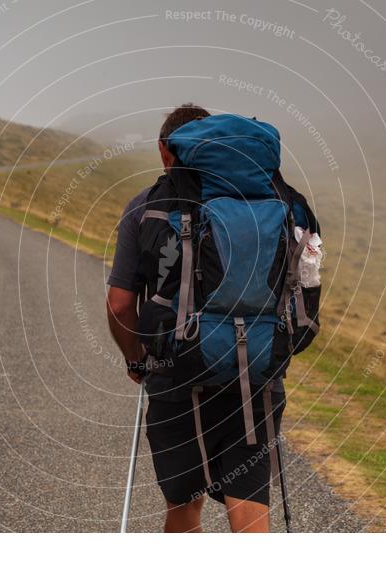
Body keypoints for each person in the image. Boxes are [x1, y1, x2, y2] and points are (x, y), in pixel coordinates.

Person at [106, 104, 286, 533]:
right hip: (255, 373)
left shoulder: (146, 205)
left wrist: (136, 358)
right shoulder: (272, 200)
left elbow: (119, 304)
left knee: (184, 509)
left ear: (166, 149)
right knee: (249, 512)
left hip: (174, 377)